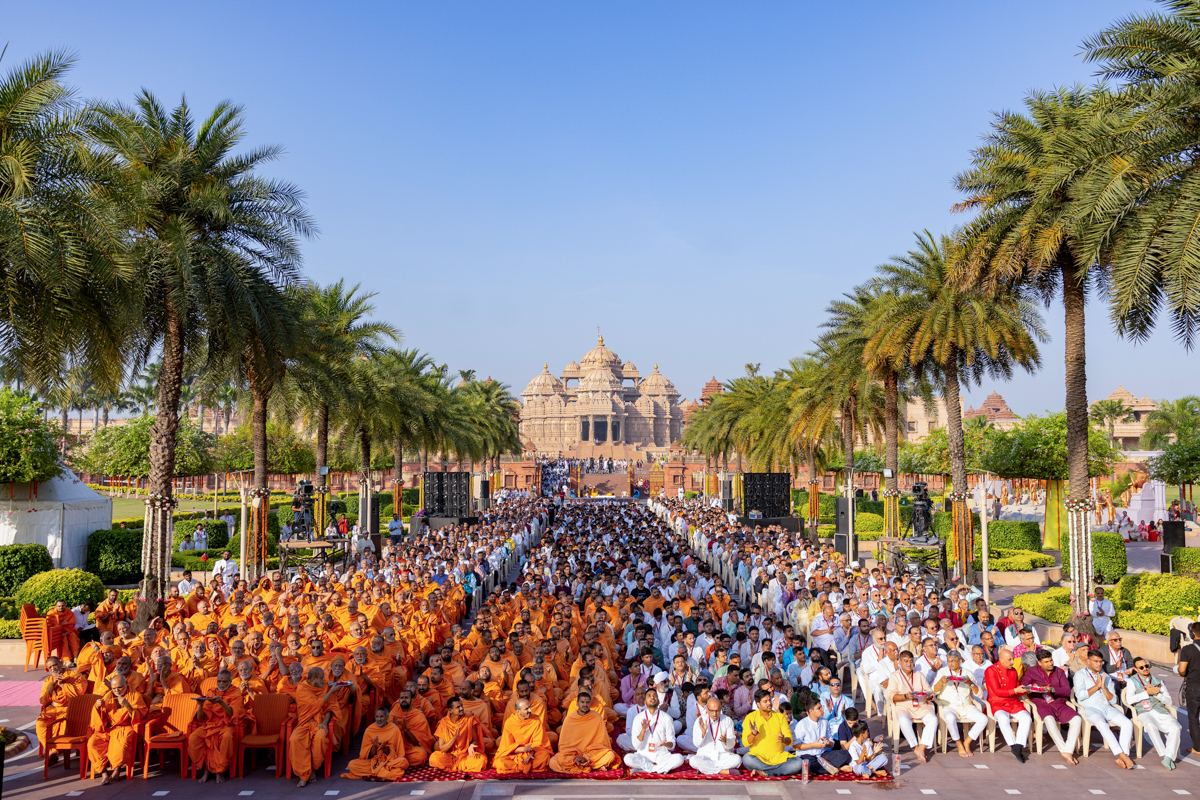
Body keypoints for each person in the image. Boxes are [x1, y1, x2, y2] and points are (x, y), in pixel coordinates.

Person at [1072, 648, 1135, 769]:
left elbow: (1113, 700)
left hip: (1106, 707)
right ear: (1088, 661)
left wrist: (1103, 687)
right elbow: (1080, 696)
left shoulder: (1106, 676)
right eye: (1096, 661)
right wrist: (1096, 686)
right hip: (1089, 708)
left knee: (1127, 723)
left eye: (1100, 661)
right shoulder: (1080, 675)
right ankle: (1121, 754)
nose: (1099, 664)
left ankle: (1123, 756)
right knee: (1102, 724)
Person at [1020, 649, 1080, 765]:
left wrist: (1052, 689)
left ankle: (1067, 750)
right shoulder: (1032, 671)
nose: (1050, 663)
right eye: (1046, 662)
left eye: (1051, 660)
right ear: (1040, 663)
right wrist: (1032, 687)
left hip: (1059, 703)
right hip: (1041, 703)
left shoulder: (1059, 672)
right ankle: (1065, 750)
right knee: (1049, 720)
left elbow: (1067, 691)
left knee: (1077, 719)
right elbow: (1024, 687)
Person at [88, 673, 147, 785]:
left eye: (120, 687)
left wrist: (128, 705)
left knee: (121, 743)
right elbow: (101, 716)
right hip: (109, 728)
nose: (117, 690)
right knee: (92, 743)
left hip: (126, 727)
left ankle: (117, 770)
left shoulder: (135, 695)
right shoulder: (108, 695)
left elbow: (140, 715)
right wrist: (97, 707)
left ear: (126, 684)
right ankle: (104, 772)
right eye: (114, 688)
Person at [188, 669, 244, 783]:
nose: (221, 684)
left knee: (227, 737)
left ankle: (220, 771)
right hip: (209, 725)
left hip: (227, 725)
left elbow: (233, 714)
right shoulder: (211, 692)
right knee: (194, 738)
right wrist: (200, 705)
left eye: (224, 682)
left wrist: (221, 703)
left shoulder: (236, 692)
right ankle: (206, 770)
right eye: (219, 681)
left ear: (230, 682)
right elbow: (200, 718)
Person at [289, 667, 341, 787]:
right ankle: (305, 773)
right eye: (321, 677)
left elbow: (330, 708)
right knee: (294, 739)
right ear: (313, 679)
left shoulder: (326, 686)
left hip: (319, 722)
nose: (324, 679)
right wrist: (331, 692)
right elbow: (317, 704)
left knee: (321, 738)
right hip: (305, 723)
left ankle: (312, 769)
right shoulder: (302, 688)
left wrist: (324, 722)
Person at [1127, 657, 1181, 770]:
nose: (1145, 669)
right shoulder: (1132, 681)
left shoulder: (1158, 681)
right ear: (1136, 669)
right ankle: (1165, 754)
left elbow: (1169, 701)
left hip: (1159, 710)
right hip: (1143, 711)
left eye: (1146, 666)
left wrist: (1157, 695)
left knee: (1175, 727)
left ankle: (1168, 757)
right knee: (1150, 726)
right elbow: (1129, 700)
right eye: (1141, 667)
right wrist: (1147, 693)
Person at [549, 691, 620, 774]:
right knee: (552, 762)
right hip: (572, 755)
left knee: (610, 756)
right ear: (577, 704)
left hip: (591, 754)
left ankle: (581, 764)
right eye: (582, 702)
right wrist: (575, 757)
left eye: (587, 702)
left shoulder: (596, 718)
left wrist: (585, 757)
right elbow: (564, 745)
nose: (585, 705)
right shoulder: (570, 719)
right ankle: (591, 765)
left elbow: (600, 743)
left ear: (590, 703)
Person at [933, 650, 987, 757]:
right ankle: (958, 743)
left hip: (966, 706)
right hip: (948, 705)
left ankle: (967, 742)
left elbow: (979, 694)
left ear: (960, 661)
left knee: (984, 719)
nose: (950, 663)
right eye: (948, 661)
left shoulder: (967, 673)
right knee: (950, 718)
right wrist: (940, 682)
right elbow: (934, 691)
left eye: (953, 661)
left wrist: (971, 684)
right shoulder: (943, 672)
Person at [886, 650, 937, 762]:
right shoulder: (894, 676)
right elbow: (891, 696)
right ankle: (915, 747)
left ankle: (922, 747)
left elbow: (929, 692)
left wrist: (928, 696)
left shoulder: (919, 674)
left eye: (911, 661)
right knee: (903, 720)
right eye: (906, 661)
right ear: (899, 662)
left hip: (921, 705)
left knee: (933, 719)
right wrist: (906, 696)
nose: (909, 664)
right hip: (903, 706)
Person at [623, 684, 684, 773]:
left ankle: (645, 769)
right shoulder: (638, 718)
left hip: (661, 755)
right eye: (649, 696)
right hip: (644, 754)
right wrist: (643, 731)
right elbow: (636, 746)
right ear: (645, 702)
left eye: (654, 696)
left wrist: (666, 744)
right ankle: (659, 769)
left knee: (679, 758)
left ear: (658, 701)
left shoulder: (667, 718)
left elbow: (672, 745)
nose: (652, 697)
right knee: (627, 758)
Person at [741, 688, 803, 777]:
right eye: (765, 701)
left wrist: (783, 740)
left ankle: (765, 772)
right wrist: (753, 734)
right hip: (759, 757)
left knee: (798, 763)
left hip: (778, 757)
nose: (769, 703)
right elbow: (745, 743)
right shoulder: (750, 717)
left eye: (769, 700)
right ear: (758, 704)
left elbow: (790, 741)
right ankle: (775, 771)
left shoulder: (780, 717)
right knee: (747, 759)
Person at [985, 647, 1032, 762]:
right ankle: (1012, 745)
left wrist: (1025, 690)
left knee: (1027, 718)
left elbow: (1017, 688)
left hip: (1013, 702)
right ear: (1001, 660)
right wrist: (1015, 691)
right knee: (1002, 719)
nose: (1012, 662)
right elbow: (996, 691)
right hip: (998, 702)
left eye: (1013, 659)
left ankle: (1019, 745)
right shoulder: (991, 670)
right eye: (1009, 660)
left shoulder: (1013, 671)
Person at [37, 657, 87, 760]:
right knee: (40, 724)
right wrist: (52, 686)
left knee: (64, 728)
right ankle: (51, 751)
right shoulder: (49, 680)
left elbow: (79, 694)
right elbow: (43, 701)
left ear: (61, 662)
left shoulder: (75, 676)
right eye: (50, 667)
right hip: (53, 709)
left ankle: (54, 752)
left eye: (55, 665)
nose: (53, 668)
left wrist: (62, 684)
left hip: (69, 709)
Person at [342, 706, 409, 780]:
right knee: (351, 765)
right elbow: (365, 755)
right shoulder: (369, 730)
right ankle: (383, 771)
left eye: (381, 716)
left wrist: (385, 749)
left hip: (389, 761)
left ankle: (377, 770)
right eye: (377, 717)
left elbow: (398, 753)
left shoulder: (394, 729)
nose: (379, 719)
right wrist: (374, 746)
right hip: (372, 762)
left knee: (403, 761)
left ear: (387, 717)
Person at [792, 696, 851, 775]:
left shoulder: (825, 721)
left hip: (822, 754)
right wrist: (813, 745)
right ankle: (837, 768)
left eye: (821, 707)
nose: (822, 710)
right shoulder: (802, 724)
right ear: (811, 711)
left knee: (846, 755)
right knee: (809, 765)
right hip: (807, 755)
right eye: (818, 708)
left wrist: (829, 743)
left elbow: (831, 742)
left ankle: (828, 768)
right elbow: (795, 746)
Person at [430, 696, 489, 773]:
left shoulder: (469, 719)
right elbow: (442, 748)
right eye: (458, 707)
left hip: (466, 756)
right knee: (434, 758)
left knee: (482, 760)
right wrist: (455, 737)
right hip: (450, 756)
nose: (461, 708)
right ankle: (462, 766)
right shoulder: (443, 723)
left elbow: (475, 740)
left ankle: (452, 766)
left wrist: (471, 745)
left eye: (461, 706)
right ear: (450, 710)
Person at [494, 698, 553, 774]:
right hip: (515, 754)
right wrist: (522, 749)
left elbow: (539, 743)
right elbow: (507, 746)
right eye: (526, 709)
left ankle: (519, 767)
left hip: (532, 754)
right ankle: (526, 766)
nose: (530, 710)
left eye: (530, 707)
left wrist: (530, 754)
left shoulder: (535, 720)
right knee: (500, 762)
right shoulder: (510, 722)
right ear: (518, 712)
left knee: (544, 756)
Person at [687, 696, 741, 775]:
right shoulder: (700, 720)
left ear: (721, 708)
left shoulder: (727, 720)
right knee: (693, 760)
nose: (714, 714)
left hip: (722, 755)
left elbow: (732, 744)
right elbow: (696, 743)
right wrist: (703, 733)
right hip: (705, 755)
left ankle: (705, 769)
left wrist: (726, 741)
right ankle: (722, 771)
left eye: (717, 711)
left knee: (737, 759)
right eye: (712, 711)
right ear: (706, 709)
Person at [1177, 621, 1200, 757]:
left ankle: (1197, 747)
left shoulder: (1187, 649)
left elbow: (1182, 670)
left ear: (1192, 634)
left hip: (1194, 687)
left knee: (1193, 717)